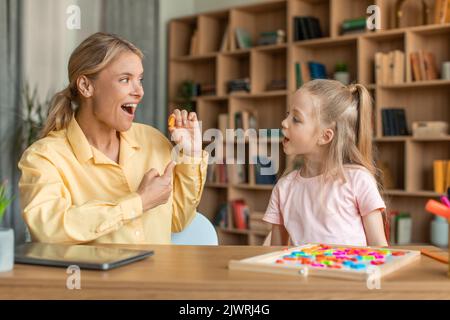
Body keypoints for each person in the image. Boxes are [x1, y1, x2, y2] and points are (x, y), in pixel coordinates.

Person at [18, 32, 208, 244]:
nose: (139, 91)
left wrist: (191, 155)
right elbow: (49, 230)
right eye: (125, 79)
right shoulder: (44, 157)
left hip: (156, 276)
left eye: (140, 80)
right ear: (86, 86)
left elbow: (177, 220)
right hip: (90, 278)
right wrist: (138, 202)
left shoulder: (153, 140)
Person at [264, 79, 388, 247]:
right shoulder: (283, 188)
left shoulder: (358, 180)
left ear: (325, 136)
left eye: (296, 119)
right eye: (287, 114)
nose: (284, 123)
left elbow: (380, 250)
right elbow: (276, 255)